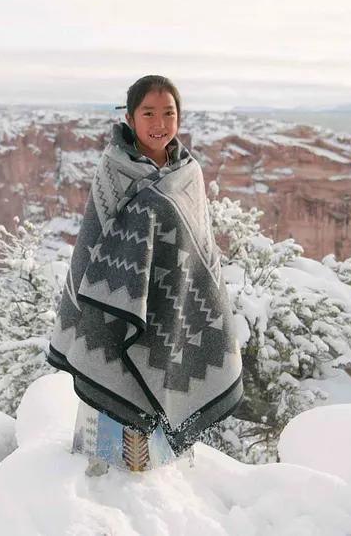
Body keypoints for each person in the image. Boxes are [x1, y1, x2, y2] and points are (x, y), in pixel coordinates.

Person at [48, 75, 243, 473]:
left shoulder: (189, 173)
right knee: (100, 454)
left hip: (171, 310)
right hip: (112, 310)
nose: (159, 123)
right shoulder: (113, 169)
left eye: (168, 113)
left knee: (152, 471)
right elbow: (94, 241)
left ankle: (150, 485)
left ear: (179, 117)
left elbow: (201, 253)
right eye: (148, 113)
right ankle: (93, 487)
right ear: (131, 118)